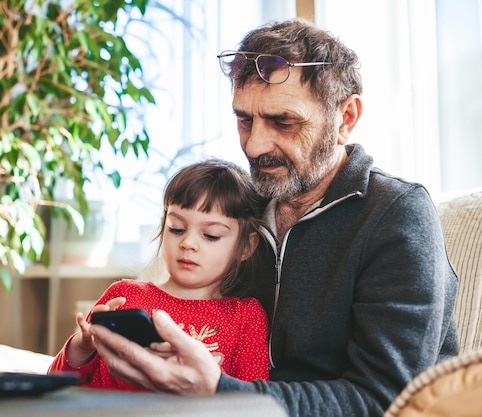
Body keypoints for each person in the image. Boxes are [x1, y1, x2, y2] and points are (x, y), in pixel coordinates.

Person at [88, 18, 459, 416]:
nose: (254, 144)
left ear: (346, 118)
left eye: (284, 122)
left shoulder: (396, 215)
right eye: (244, 119)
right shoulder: (243, 209)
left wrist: (219, 391)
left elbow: (387, 400)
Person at [48, 159, 271, 390]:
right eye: (177, 228)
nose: (188, 243)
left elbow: (250, 402)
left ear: (246, 247)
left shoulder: (245, 317)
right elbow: (57, 384)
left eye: (211, 235)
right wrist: (81, 348)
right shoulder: (124, 295)